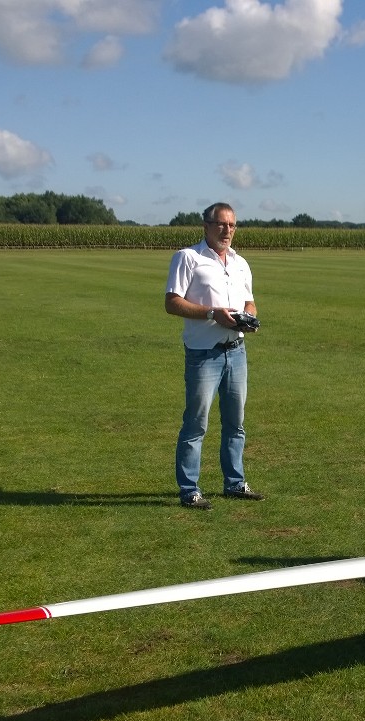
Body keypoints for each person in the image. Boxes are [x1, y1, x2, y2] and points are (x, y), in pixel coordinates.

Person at [164, 202, 264, 508]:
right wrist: (212, 313)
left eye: (231, 225)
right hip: (203, 354)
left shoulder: (240, 263)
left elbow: (249, 301)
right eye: (221, 224)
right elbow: (172, 302)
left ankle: (235, 483)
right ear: (206, 226)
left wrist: (248, 317)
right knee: (196, 424)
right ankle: (189, 489)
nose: (227, 230)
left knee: (236, 423)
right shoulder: (188, 258)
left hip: (237, 351)